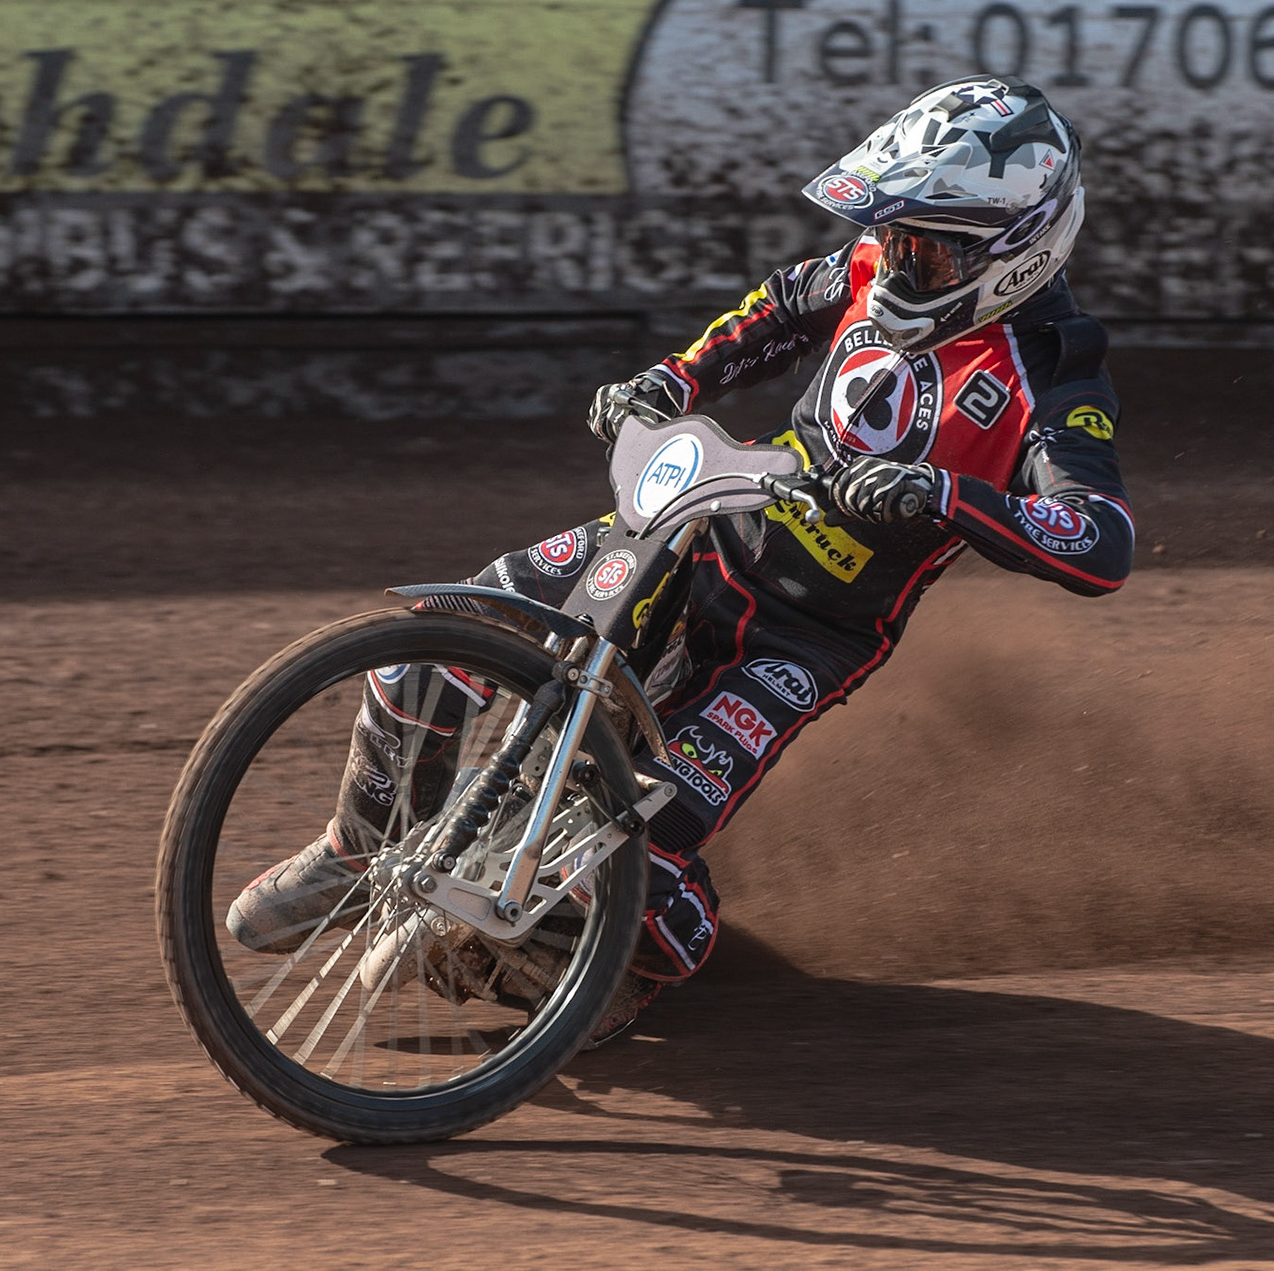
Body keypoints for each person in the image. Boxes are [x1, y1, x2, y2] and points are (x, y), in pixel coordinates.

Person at [226, 75, 1133, 1041]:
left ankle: (610, 971)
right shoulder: (879, 262)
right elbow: (781, 307)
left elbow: (1100, 537)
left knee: (638, 850)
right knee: (448, 635)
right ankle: (360, 846)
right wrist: (670, 379)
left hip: (799, 640)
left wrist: (941, 495)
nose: (900, 260)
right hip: (702, 524)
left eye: (932, 246)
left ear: (1019, 248)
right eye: (896, 233)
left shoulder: (1054, 371)